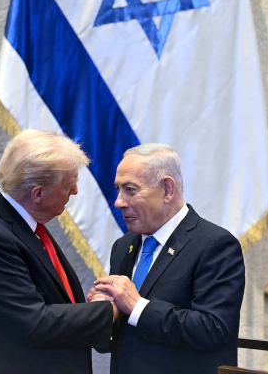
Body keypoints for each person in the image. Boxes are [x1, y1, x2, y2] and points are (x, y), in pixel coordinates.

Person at [0, 129, 116, 374]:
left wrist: (87, 309)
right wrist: (111, 310)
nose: (75, 191)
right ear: (38, 193)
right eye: (68, 185)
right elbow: (36, 324)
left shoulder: (19, 219)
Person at [89, 144, 245, 373]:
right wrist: (102, 314)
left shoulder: (215, 245)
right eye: (118, 189)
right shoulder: (123, 246)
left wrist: (136, 306)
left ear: (167, 190)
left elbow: (214, 330)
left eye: (130, 190)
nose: (119, 202)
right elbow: (117, 339)